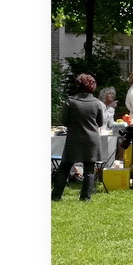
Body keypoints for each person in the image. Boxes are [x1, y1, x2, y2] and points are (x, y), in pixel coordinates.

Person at [51, 73, 106, 202]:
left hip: (74, 139)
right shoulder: (97, 103)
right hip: (92, 140)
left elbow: (64, 121)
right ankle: (85, 197)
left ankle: (56, 196)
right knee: (89, 170)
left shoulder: (71, 101)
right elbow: (100, 123)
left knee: (64, 168)